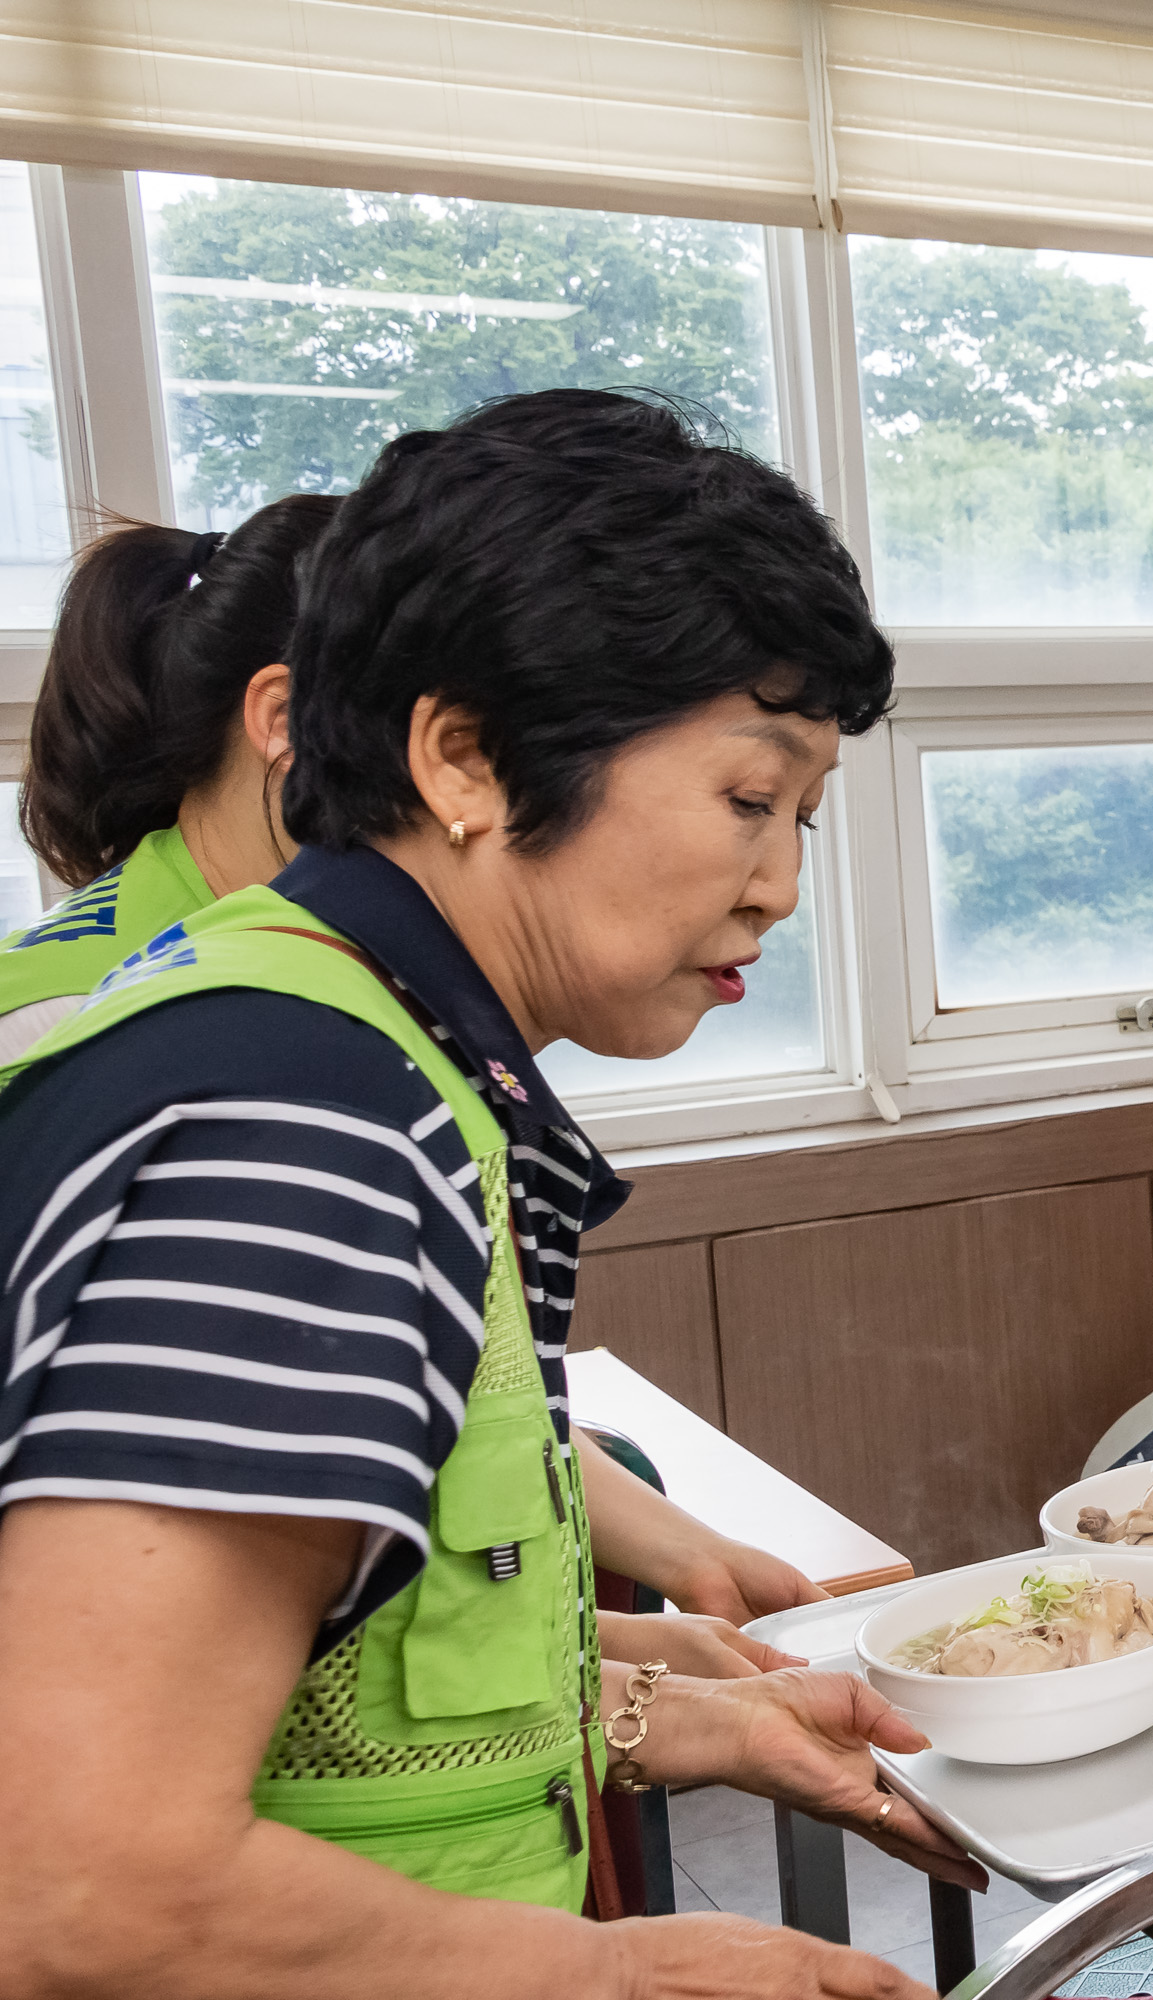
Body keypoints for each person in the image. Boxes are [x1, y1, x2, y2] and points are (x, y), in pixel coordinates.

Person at [0, 388, 977, 1996]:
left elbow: (315, 1690)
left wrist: (672, 1714)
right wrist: (630, 1976)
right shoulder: (300, 1133)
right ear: (461, 756)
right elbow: (95, 1892)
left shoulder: (365, 1057)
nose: (781, 884)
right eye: (749, 796)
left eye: (806, 815)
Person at [4, 498, 825, 1680]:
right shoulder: (257, 1083)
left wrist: (626, 1661)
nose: (779, 888)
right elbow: (112, 1811)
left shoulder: (375, 1013)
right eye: (748, 800)